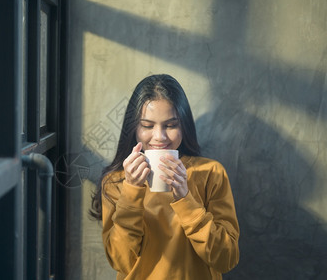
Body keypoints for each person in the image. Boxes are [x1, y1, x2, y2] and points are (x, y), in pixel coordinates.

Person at [90, 74, 239, 279]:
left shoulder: (211, 173)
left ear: (184, 126)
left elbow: (226, 258)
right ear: (134, 128)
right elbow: (121, 261)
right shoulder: (116, 182)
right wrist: (132, 190)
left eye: (170, 125)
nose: (159, 137)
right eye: (148, 126)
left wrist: (186, 199)